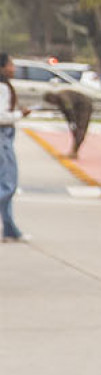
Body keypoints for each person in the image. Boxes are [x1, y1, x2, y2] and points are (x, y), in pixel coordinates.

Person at [0, 54, 23, 243]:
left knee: (5, 183)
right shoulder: (2, 88)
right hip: (2, 136)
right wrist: (20, 114)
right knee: (8, 183)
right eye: (10, 64)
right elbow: (1, 117)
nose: (13, 68)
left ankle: (9, 229)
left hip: (5, 136)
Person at [43, 86, 93, 157]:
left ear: (52, 97)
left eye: (51, 102)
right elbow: (66, 114)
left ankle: (74, 152)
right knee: (75, 130)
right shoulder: (59, 101)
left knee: (81, 128)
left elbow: (69, 110)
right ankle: (74, 150)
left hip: (84, 105)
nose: (52, 104)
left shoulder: (63, 97)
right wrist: (71, 123)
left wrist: (73, 121)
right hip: (77, 107)